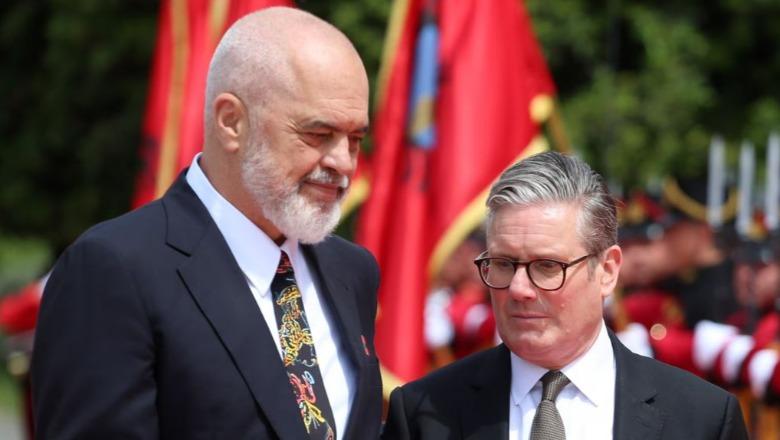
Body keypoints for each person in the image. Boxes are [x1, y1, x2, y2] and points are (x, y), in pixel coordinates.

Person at [31, 7, 381, 439]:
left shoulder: (353, 272)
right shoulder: (114, 270)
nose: (343, 163)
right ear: (231, 121)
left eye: (355, 139)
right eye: (318, 134)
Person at [382, 151, 748, 439]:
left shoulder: (701, 418)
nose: (519, 288)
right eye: (503, 264)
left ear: (607, 271)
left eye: (547, 266)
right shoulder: (424, 412)